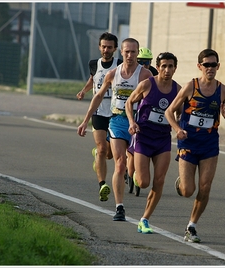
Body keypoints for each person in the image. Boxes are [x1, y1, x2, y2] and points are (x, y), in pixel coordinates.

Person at [164, 48, 225, 242]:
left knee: (205, 186)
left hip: (210, 145)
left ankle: (192, 226)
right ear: (200, 66)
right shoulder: (190, 87)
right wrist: (176, 129)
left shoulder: (222, 90)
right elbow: (169, 112)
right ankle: (181, 182)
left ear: (218, 66)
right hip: (188, 142)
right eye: (206, 65)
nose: (210, 68)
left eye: (214, 65)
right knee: (188, 190)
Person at [77, 38, 153, 221]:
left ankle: (136, 179)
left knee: (142, 178)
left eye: (133, 52)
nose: (129, 55)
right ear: (122, 52)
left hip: (138, 123)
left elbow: (155, 97)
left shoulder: (145, 75)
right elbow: (98, 96)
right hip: (118, 120)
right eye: (126, 52)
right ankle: (119, 208)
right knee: (119, 162)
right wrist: (85, 120)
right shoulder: (113, 74)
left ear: (137, 53)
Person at [125, 52, 181, 234]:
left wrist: (179, 125)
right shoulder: (147, 84)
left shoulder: (178, 90)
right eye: (163, 66)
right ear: (158, 67)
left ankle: (145, 219)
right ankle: (134, 174)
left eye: (170, 66)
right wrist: (132, 122)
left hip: (163, 139)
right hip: (143, 137)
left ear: (175, 68)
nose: (167, 70)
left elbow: (181, 111)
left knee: (159, 180)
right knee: (143, 182)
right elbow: (128, 102)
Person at [76, 32, 122, 203]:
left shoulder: (120, 64)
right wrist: (84, 91)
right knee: (103, 149)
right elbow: (92, 80)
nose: (106, 50)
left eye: (109, 47)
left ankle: (98, 155)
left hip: (116, 113)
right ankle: (102, 184)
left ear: (115, 49)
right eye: (103, 46)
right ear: (99, 47)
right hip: (99, 112)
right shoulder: (94, 64)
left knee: (109, 153)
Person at [126, 46, 158, 196]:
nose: (145, 65)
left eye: (148, 62)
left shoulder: (154, 74)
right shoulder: (131, 72)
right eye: (142, 62)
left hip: (142, 116)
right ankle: (129, 170)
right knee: (128, 151)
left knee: (134, 149)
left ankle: (135, 172)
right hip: (126, 112)